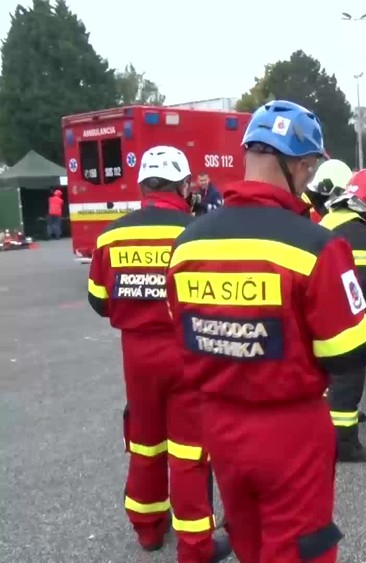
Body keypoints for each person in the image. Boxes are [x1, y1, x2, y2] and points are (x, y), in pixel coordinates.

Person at [165, 100, 366, 562]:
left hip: (219, 427)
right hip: (291, 431)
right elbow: (352, 350)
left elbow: (184, 331)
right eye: (309, 168)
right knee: (301, 548)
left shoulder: (187, 243)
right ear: (299, 164)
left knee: (249, 541)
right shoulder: (315, 245)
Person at [87, 146, 231, 562]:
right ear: (184, 186)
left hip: (136, 355)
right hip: (186, 352)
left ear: (142, 185)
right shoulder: (196, 231)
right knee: (189, 452)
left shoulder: (112, 234)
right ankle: (196, 547)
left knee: (145, 442)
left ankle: (148, 530)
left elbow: (98, 300)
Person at [319, 168, 366, 462]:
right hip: (342, 314)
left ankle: (328, 427)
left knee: (330, 376)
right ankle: (345, 445)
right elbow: (359, 281)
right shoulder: (358, 226)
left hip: (320, 305)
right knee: (350, 373)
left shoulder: (332, 217)